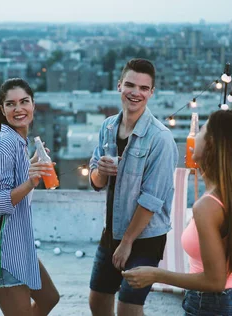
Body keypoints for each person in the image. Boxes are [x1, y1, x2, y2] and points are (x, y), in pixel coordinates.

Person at [122, 110, 232, 316]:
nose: (194, 137)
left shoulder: (207, 207)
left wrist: (155, 274)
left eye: (201, 132)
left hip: (210, 306)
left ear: (211, 144)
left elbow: (214, 281)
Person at [88, 58, 179, 316]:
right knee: (97, 300)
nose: (135, 93)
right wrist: (100, 173)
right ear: (119, 86)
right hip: (111, 232)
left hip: (145, 237)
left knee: (128, 307)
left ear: (151, 92)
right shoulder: (107, 127)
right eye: (130, 85)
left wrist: (127, 242)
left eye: (143, 88)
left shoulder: (160, 138)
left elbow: (152, 199)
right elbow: (96, 181)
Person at [0, 78, 60, 315]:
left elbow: (11, 178)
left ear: (33, 104)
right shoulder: (4, 144)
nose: (19, 109)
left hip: (19, 243)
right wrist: (31, 182)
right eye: (11, 104)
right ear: (2, 109)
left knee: (49, 298)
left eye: (24, 102)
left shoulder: (18, 141)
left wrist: (32, 165)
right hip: (2, 249)